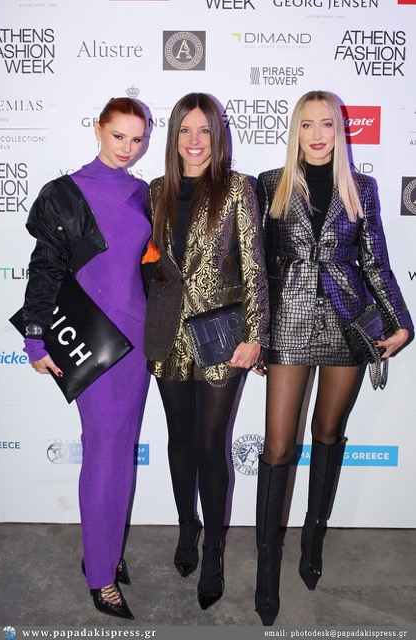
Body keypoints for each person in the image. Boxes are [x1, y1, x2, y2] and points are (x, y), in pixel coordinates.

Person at [255, 90, 412, 626]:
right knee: (278, 446)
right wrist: (257, 332)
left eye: (327, 124)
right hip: (289, 321)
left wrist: (400, 321)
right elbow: (258, 267)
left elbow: (376, 263)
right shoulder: (270, 184)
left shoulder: (361, 188)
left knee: (327, 432)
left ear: (339, 130)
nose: (318, 135)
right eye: (307, 125)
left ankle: (313, 541)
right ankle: (267, 571)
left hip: (348, 322)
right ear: (295, 131)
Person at [21, 97, 151, 620]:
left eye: (137, 139)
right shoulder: (65, 193)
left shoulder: (144, 192)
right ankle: (100, 574)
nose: (128, 148)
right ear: (98, 129)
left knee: (121, 451)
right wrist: (36, 337)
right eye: (119, 136)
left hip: (137, 341)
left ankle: (105, 549)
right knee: (102, 451)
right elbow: (45, 267)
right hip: (93, 338)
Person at [144, 92, 269, 610]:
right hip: (167, 334)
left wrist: (256, 335)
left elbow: (255, 265)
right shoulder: (156, 192)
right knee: (179, 440)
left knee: (211, 443)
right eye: (185, 130)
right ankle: (186, 527)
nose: (195, 141)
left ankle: (213, 550)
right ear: (174, 136)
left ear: (218, 136)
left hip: (222, 336)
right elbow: (149, 263)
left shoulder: (239, 188)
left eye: (204, 131)